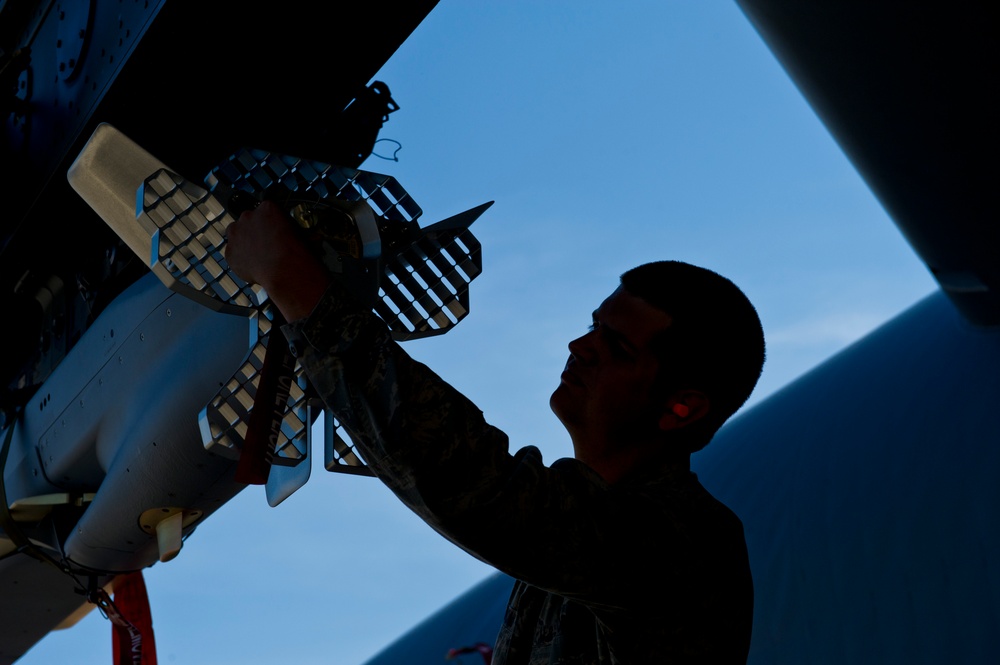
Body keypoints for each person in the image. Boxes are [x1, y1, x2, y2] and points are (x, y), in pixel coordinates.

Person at [225, 201, 765, 663]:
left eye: (617, 348)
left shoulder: (684, 543)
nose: (582, 347)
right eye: (595, 326)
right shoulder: (580, 551)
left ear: (682, 407)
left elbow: (476, 484)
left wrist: (300, 286)